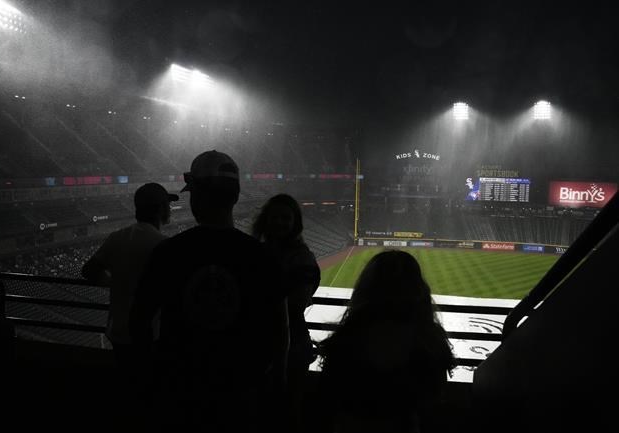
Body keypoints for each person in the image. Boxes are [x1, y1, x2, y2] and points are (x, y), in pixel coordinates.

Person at [130, 150, 289, 433]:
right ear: (236, 196)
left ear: (196, 197)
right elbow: (279, 333)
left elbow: (138, 323)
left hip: (180, 394)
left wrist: (152, 379)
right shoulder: (263, 257)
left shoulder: (168, 253)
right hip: (241, 396)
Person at [315, 250, 456, 433]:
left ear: (367, 288)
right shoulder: (428, 340)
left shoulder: (349, 337)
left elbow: (328, 397)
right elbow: (433, 397)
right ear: (417, 289)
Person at [82, 182, 178, 366]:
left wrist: (114, 281)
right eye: (168, 205)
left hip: (117, 331)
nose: (171, 209)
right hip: (150, 334)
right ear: (160, 209)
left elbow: (88, 271)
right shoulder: (165, 244)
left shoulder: (117, 237)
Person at [252, 194, 320, 433]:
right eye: (275, 217)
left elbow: (298, 302)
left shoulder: (302, 257)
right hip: (261, 345)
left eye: (286, 218)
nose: (280, 223)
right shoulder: (258, 252)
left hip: (291, 345)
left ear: (295, 223)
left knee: (288, 411)